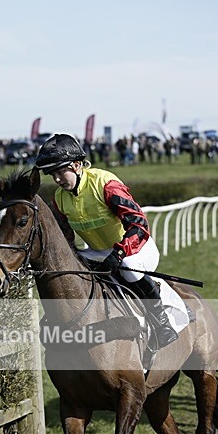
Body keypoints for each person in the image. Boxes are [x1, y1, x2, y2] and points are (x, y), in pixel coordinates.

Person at [35, 133, 177, 347]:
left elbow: (139, 225)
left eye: (60, 171)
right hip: (98, 251)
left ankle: (162, 323)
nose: (56, 179)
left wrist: (119, 253)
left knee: (128, 267)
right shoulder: (60, 198)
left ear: (76, 165)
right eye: (52, 174)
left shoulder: (105, 184)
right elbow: (66, 239)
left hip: (135, 249)